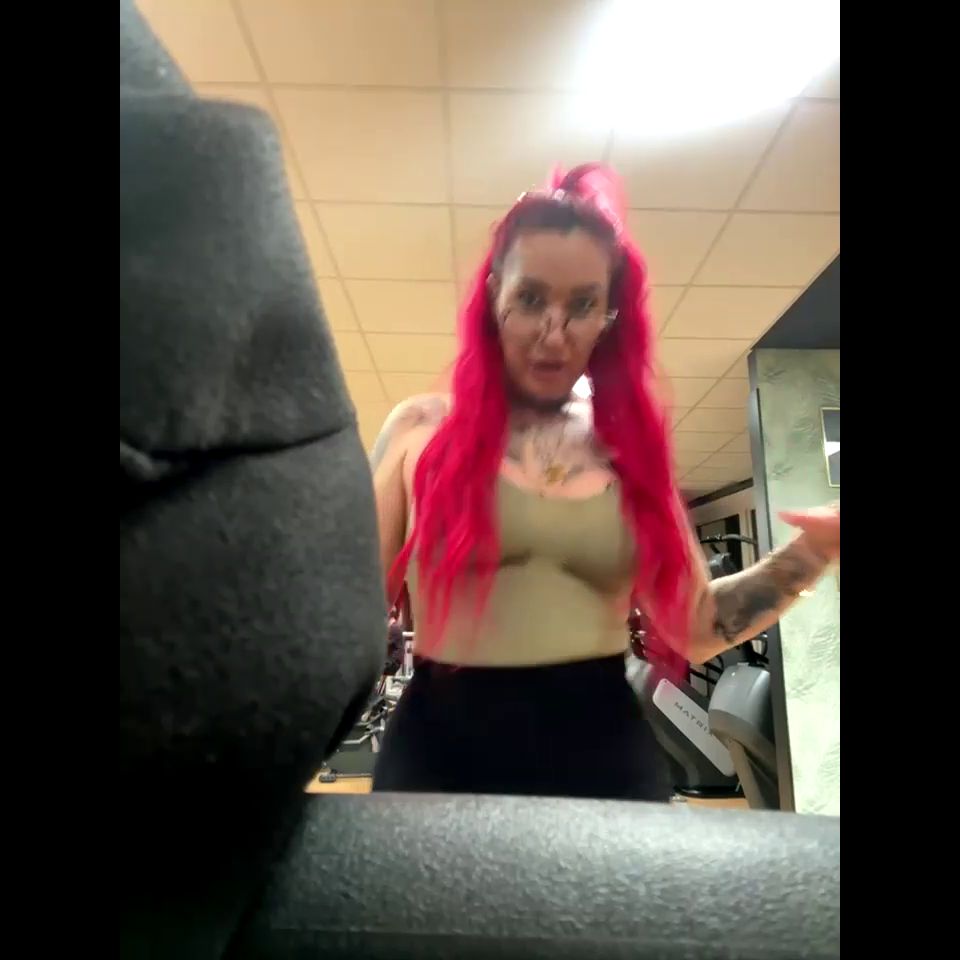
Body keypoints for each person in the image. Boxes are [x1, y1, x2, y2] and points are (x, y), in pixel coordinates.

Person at [369, 163, 839, 801]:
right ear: (494, 297)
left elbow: (696, 626)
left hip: (601, 761)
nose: (554, 332)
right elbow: (345, 618)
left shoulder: (629, 456)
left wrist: (814, 552)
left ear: (608, 317)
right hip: (439, 759)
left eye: (582, 305)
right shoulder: (418, 432)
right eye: (531, 298)